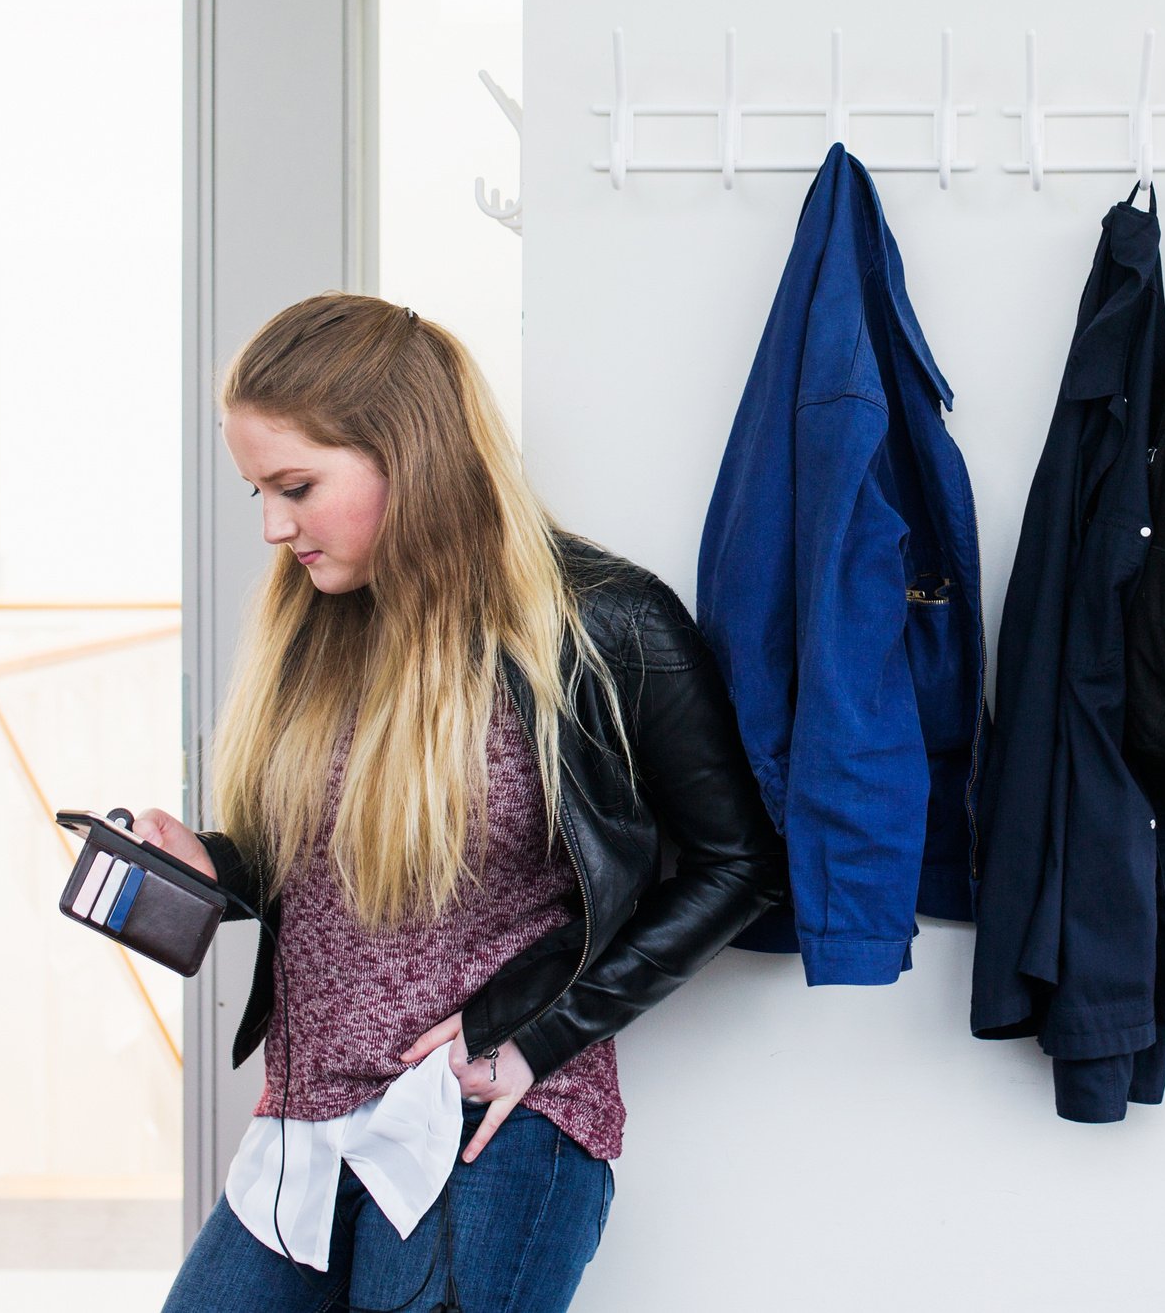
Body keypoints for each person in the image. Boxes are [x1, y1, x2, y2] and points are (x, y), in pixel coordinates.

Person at [141, 292, 783, 1313]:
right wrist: (214, 866)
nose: (272, 525)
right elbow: (331, 865)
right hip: (303, 1125)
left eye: (296, 485)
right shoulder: (320, 628)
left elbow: (742, 863)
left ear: (406, 450)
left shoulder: (602, 623)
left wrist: (538, 1036)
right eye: (259, 490)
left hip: (485, 1124)